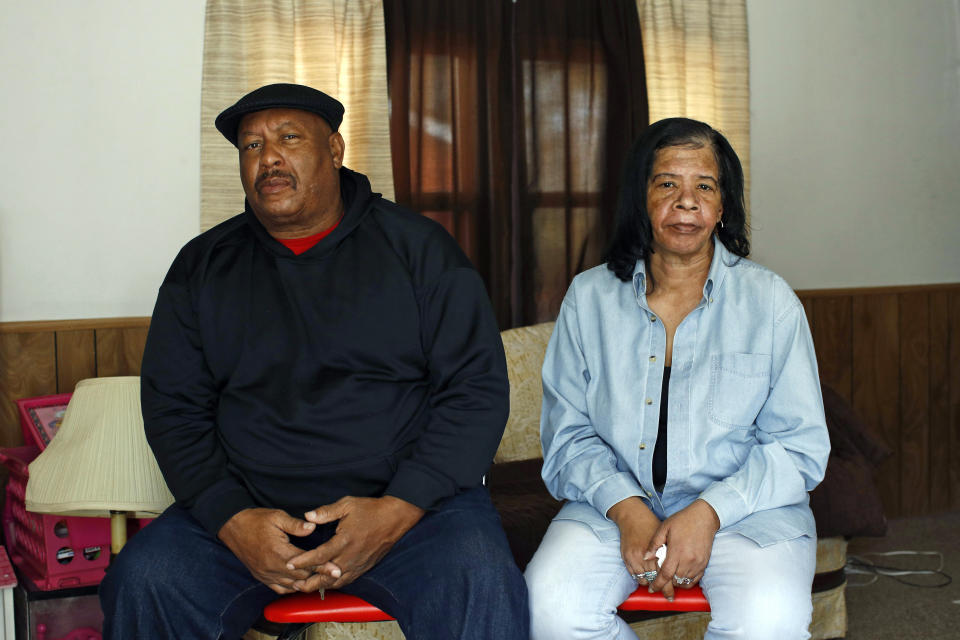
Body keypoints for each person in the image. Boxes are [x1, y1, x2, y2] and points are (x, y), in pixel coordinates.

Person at [99, 83, 529, 640]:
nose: (268, 158)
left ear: (335, 150)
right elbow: (173, 408)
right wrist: (231, 518)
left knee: (482, 578)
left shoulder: (420, 249)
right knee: (147, 577)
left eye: (288, 138)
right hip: (252, 510)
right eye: (251, 147)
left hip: (410, 512)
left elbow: (474, 392)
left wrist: (398, 508)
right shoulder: (202, 266)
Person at [524, 118, 831, 639]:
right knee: (548, 608)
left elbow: (800, 447)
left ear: (722, 205)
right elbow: (568, 435)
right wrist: (626, 510)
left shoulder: (771, 302)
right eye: (667, 184)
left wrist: (710, 512)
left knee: (769, 621)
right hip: (612, 507)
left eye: (703, 187)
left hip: (747, 511)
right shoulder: (589, 298)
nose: (685, 203)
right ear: (640, 197)